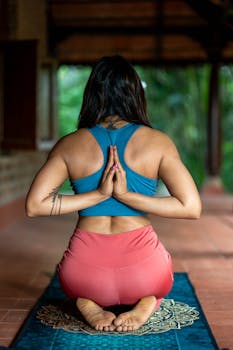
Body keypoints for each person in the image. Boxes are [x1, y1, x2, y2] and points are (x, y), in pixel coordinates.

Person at [26, 55, 201, 333]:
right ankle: (147, 301)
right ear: (135, 95)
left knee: (73, 283)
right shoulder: (157, 142)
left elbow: (35, 205)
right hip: (145, 272)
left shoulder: (70, 144)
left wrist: (96, 195)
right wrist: (129, 196)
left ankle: (86, 300)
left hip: (84, 272)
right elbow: (191, 207)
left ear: (92, 94)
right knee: (162, 280)